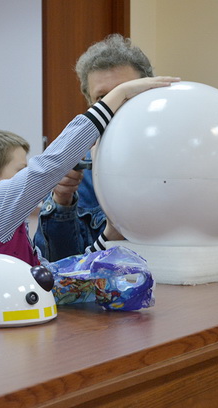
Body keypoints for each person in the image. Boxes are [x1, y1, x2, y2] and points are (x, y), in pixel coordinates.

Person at [0, 74, 179, 266]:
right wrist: (119, 94)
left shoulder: (6, 225)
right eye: (20, 169)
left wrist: (108, 236)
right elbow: (49, 166)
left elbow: (61, 276)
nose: (27, 175)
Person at [34, 34, 155, 262]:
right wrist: (62, 202)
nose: (115, 106)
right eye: (103, 98)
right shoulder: (78, 168)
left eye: (125, 94)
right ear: (91, 104)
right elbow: (58, 266)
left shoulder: (181, 156)